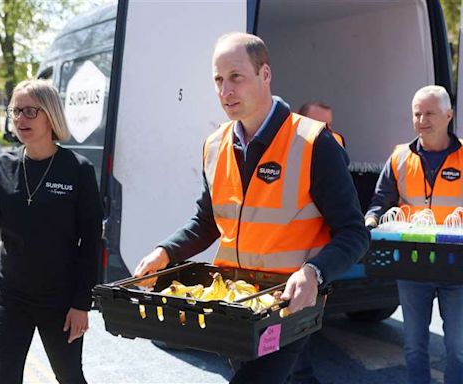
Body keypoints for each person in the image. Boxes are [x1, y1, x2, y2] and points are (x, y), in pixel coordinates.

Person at [135, 32, 369, 384]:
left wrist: (314, 272)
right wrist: (165, 252)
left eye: (236, 77)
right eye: (218, 80)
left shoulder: (313, 142)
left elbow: (354, 233)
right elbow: (206, 222)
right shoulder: (215, 145)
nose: (225, 91)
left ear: (265, 75)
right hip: (234, 306)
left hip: (288, 306)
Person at [0, 79, 103, 384]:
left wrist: (81, 304)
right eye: (15, 111)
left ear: (50, 115)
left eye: (30, 111)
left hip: (60, 300)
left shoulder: (78, 169)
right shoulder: (1, 167)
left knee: (70, 377)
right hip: (8, 296)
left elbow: (90, 243)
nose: (20, 119)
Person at [365, 85, 463, 384]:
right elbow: (379, 203)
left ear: (449, 115)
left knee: (458, 347)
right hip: (411, 262)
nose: (422, 120)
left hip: (456, 264)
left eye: (430, 113)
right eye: (417, 113)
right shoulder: (398, 158)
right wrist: (371, 222)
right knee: (414, 346)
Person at [288, 101, 345, 384]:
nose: (328, 132)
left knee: (300, 341)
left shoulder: (331, 148)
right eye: (321, 125)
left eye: (330, 125)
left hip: (313, 266)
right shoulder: (290, 150)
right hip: (284, 267)